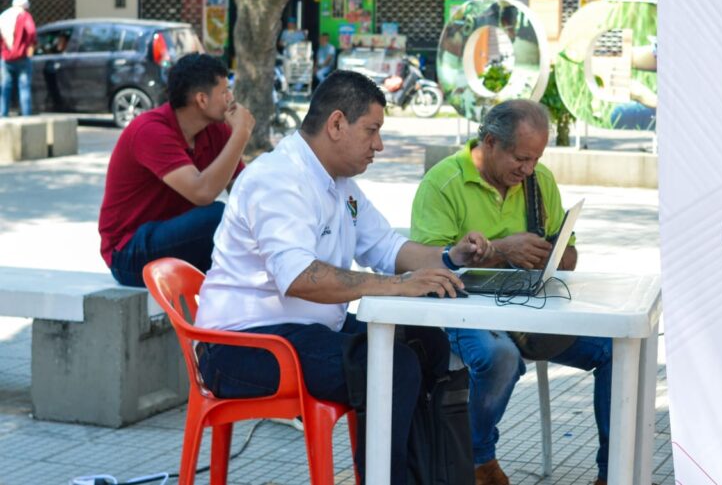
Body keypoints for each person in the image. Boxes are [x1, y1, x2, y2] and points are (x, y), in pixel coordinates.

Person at [194, 70, 491, 484]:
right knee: (393, 367)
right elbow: (300, 277)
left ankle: (428, 476)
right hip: (243, 346)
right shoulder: (277, 178)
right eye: (372, 130)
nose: (379, 145)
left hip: (304, 333)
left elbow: (386, 247)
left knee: (427, 343)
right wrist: (398, 286)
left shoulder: (340, 184)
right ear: (336, 124)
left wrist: (449, 257)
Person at [410, 99, 613, 485]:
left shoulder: (539, 182)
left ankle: (612, 471)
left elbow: (570, 256)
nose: (529, 169)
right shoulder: (443, 182)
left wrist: (551, 254)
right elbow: (427, 269)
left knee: (615, 346)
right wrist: (503, 250)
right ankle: (478, 460)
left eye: (536, 159)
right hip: (462, 309)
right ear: (490, 142)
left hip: (528, 310)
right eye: (521, 158)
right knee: (499, 356)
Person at [98, 53, 254, 287]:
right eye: (225, 92)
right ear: (202, 99)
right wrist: (241, 134)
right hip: (129, 253)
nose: (231, 99)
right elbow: (202, 193)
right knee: (216, 216)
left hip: (181, 243)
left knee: (247, 230)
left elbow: (245, 194)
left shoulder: (216, 130)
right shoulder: (151, 131)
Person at [0, 0, 37, 116]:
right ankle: (26, 115)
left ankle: (3, 114)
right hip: (22, 57)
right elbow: (31, 31)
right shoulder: (24, 15)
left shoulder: (3, 16)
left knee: (5, 87)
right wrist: (30, 45)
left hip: (6, 57)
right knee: (24, 87)